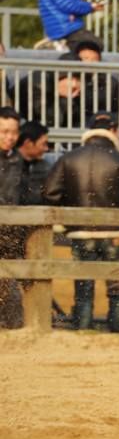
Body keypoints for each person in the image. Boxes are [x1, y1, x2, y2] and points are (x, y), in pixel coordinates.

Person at [43, 113, 119, 331]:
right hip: (116, 235)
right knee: (118, 292)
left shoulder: (69, 158)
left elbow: (50, 193)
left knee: (83, 291)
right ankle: (118, 335)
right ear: (113, 131)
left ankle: (83, 331)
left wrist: (66, 222)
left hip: (80, 234)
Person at [0, 107, 24, 329]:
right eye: (4, 131)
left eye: (13, 132)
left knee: (9, 286)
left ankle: (13, 328)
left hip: (9, 235)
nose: (10, 137)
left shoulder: (18, 160)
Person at [17, 120, 50, 205]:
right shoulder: (7, 164)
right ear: (28, 143)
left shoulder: (45, 167)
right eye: (43, 144)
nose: (46, 149)